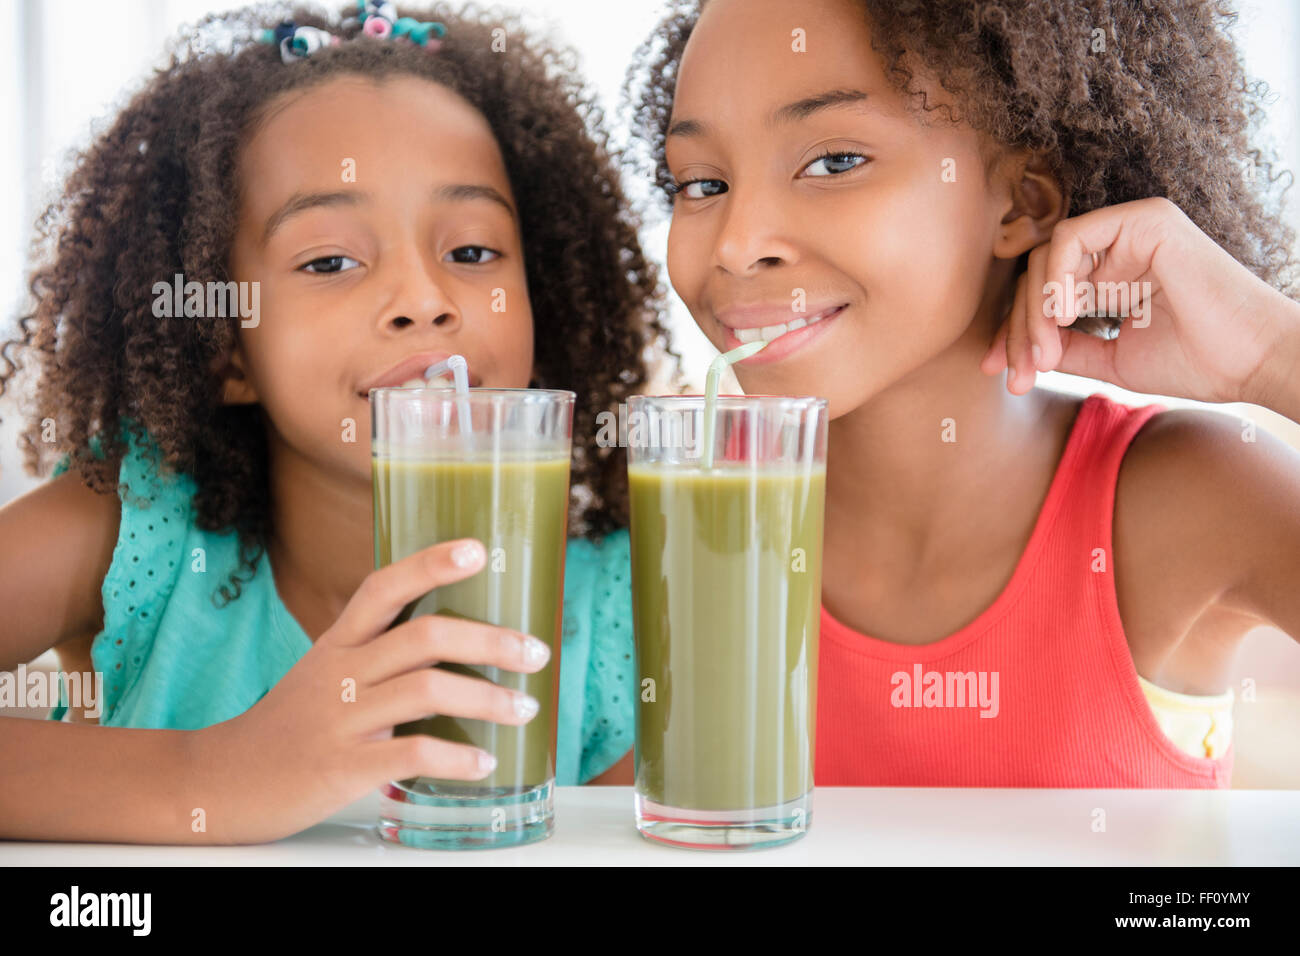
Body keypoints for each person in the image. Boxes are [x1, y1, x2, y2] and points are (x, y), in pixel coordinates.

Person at [0, 2, 669, 842]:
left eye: (470, 252)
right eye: (330, 261)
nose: (424, 301)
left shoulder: (622, 603)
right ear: (225, 349)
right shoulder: (137, 534)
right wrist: (210, 775)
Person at [613, 0, 1300, 787]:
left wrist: (1270, 351)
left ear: (1022, 203)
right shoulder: (682, 527)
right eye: (702, 183)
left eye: (834, 162)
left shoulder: (1188, 499)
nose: (736, 246)